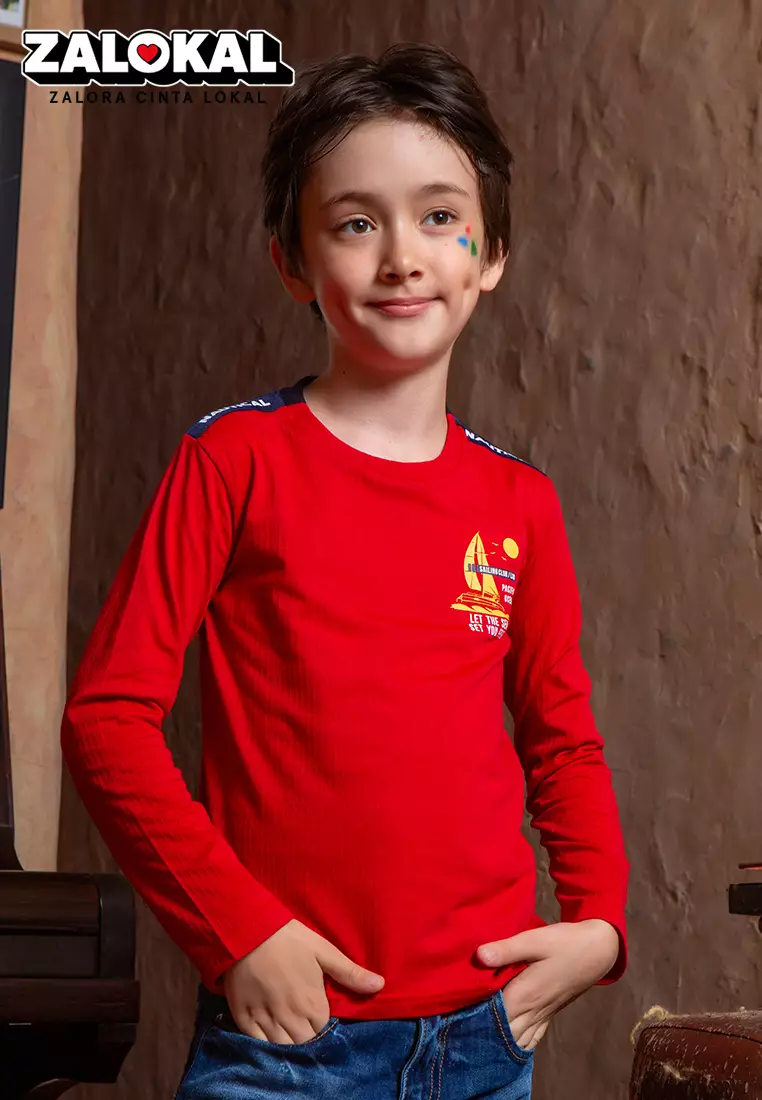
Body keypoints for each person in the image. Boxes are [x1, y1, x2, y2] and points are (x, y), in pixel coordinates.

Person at [61, 42, 629, 1100]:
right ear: (292, 262)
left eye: (441, 217)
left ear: (492, 255)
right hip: (287, 1045)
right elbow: (107, 721)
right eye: (357, 223)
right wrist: (238, 930)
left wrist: (599, 924)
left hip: (484, 1041)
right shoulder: (233, 460)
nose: (403, 257)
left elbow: (561, 738)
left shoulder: (520, 502)